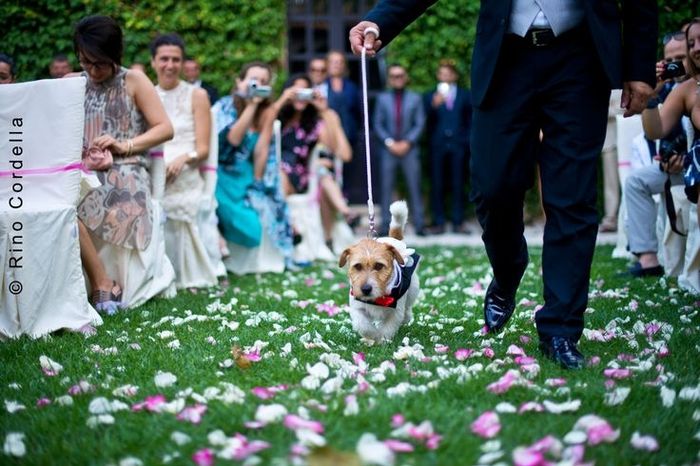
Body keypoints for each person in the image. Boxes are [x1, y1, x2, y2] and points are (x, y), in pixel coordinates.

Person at [350, 0, 657, 369]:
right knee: (492, 190)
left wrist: (639, 65)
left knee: (571, 198)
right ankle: (508, 270)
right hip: (506, 57)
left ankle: (561, 328)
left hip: (581, 56)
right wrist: (381, 20)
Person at [70, 15, 174, 313]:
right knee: (62, 202)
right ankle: (93, 282)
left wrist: (123, 145)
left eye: (99, 63)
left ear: (114, 56)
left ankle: (110, 282)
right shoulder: (72, 83)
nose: (91, 70)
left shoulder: (134, 80)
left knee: (117, 197)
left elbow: (164, 128)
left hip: (126, 168)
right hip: (81, 171)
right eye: (84, 62)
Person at [213, 61, 297, 272]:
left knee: (261, 214)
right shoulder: (226, 105)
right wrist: (250, 105)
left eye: (262, 81)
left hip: (247, 174)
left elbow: (261, 150)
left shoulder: (267, 111)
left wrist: (258, 183)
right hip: (221, 173)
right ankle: (223, 252)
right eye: (252, 79)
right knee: (242, 221)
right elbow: (233, 140)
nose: (257, 84)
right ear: (239, 81)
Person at [150, 33, 218, 289]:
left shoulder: (197, 95)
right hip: (154, 167)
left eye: (175, 59)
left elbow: (202, 148)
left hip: (187, 168)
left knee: (178, 181)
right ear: (153, 62)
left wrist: (183, 157)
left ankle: (189, 270)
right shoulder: (147, 94)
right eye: (164, 59)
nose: (170, 65)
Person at [626, 32, 691, 277]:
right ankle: (648, 260)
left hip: (692, 165)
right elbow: (653, 133)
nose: (675, 65)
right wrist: (651, 95)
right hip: (672, 168)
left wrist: (686, 159)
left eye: (680, 58)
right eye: (669, 60)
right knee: (636, 181)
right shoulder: (667, 90)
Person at [269, 74, 357, 246]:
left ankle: (344, 213)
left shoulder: (315, 122)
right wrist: (282, 100)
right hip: (276, 170)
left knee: (318, 172)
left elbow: (344, 154)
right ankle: (292, 227)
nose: (301, 95)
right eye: (296, 90)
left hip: (301, 175)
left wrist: (324, 110)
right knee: (279, 175)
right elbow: (261, 127)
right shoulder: (278, 116)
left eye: (305, 91)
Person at [645, 19, 700, 237]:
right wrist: (651, 96)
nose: (697, 48)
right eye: (691, 42)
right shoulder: (687, 89)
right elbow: (655, 131)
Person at [372, 63, 426, 235]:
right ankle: (384, 225)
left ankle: (419, 225)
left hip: (410, 149)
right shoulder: (382, 98)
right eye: (394, 76)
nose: (398, 79)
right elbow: (377, 123)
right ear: (390, 79)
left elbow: (420, 123)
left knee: (414, 186)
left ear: (406, 77)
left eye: (401, 75)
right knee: (386, 187)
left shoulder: (415, 98)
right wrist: (389, 142)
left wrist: (407, 142)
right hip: (388, 149)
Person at [423, 60, 472, 234]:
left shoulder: (465, 95)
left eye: (448, 73)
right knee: (437, 184)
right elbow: (425, 122)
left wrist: (465, 140)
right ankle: (439, 222)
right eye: (442, 73)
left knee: (459, 183)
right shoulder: (430, 96)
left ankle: (458, 222)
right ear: (438, 76)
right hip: (438, 146)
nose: (445, 76)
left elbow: (470, 121)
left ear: (454, 76)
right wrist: (433, 107)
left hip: (459, 146)